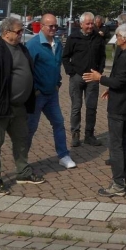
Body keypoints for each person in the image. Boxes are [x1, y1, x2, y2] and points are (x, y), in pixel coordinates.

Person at [0, 16, 45, 195]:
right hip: (0, 107)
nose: (22, 34)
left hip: (19, 107)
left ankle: (23, 172)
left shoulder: (21, 48)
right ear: (7, 33)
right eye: (19, 31)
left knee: (21, 140)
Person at [85, 24, 126, 197]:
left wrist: (100, 78)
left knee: (117, 146)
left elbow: (119, 81)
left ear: (124, 39)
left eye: (118, 36)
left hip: (121, 107)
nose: (116, 38)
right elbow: (125, 80)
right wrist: (110, 87)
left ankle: (119, 184)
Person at [25, 13, 76, 170]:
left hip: (52, 94)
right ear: (42, 26)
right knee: (30, 127)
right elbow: (26, 70)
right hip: (37, 95)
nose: (54, 28)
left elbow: (57, 65)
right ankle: (21, 158)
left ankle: (63, 155)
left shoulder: (58, 44)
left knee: (58, 123)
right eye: (50, 26)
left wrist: (57, 83)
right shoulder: (33, 45)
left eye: (56, 26)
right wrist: (34, 90)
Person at [62, 12, 106, 147]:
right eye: (88, 24)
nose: (90, 26)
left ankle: (89, 135)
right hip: (77, 77)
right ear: (81, 24)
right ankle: (75, 134)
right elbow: (65, 57)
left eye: (92, 23)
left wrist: (99, 71)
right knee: (76, 107)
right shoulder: (73, 37)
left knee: (91, 108)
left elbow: (103, 57)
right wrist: (72, 73)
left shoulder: (98, 38)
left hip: (92, 78)